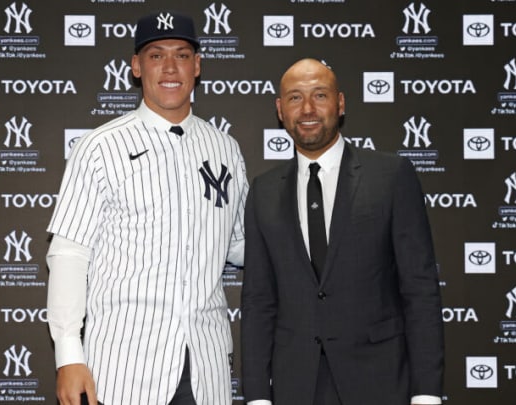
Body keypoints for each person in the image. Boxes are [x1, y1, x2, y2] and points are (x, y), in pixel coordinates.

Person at [45, 11, 247, 405]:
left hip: (205, 368)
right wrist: (68, 355)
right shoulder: (101, 148)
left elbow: (240, 246)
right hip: (123, 370)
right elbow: (69, 255)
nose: (170, 67)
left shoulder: (226, 149)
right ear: (137, 67)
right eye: (156, 55)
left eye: (182, 54)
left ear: (197, 65)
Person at [241, 58, 444, 405]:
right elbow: (259, 301)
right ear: (280, 109)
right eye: (294, 98)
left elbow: (420, 289)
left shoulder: (391, 176)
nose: (307, 108)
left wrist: (426, 393)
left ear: (340, 103)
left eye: (319, 95)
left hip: (380, 382)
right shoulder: (264, 191)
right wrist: (258, 396)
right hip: (296, 386)